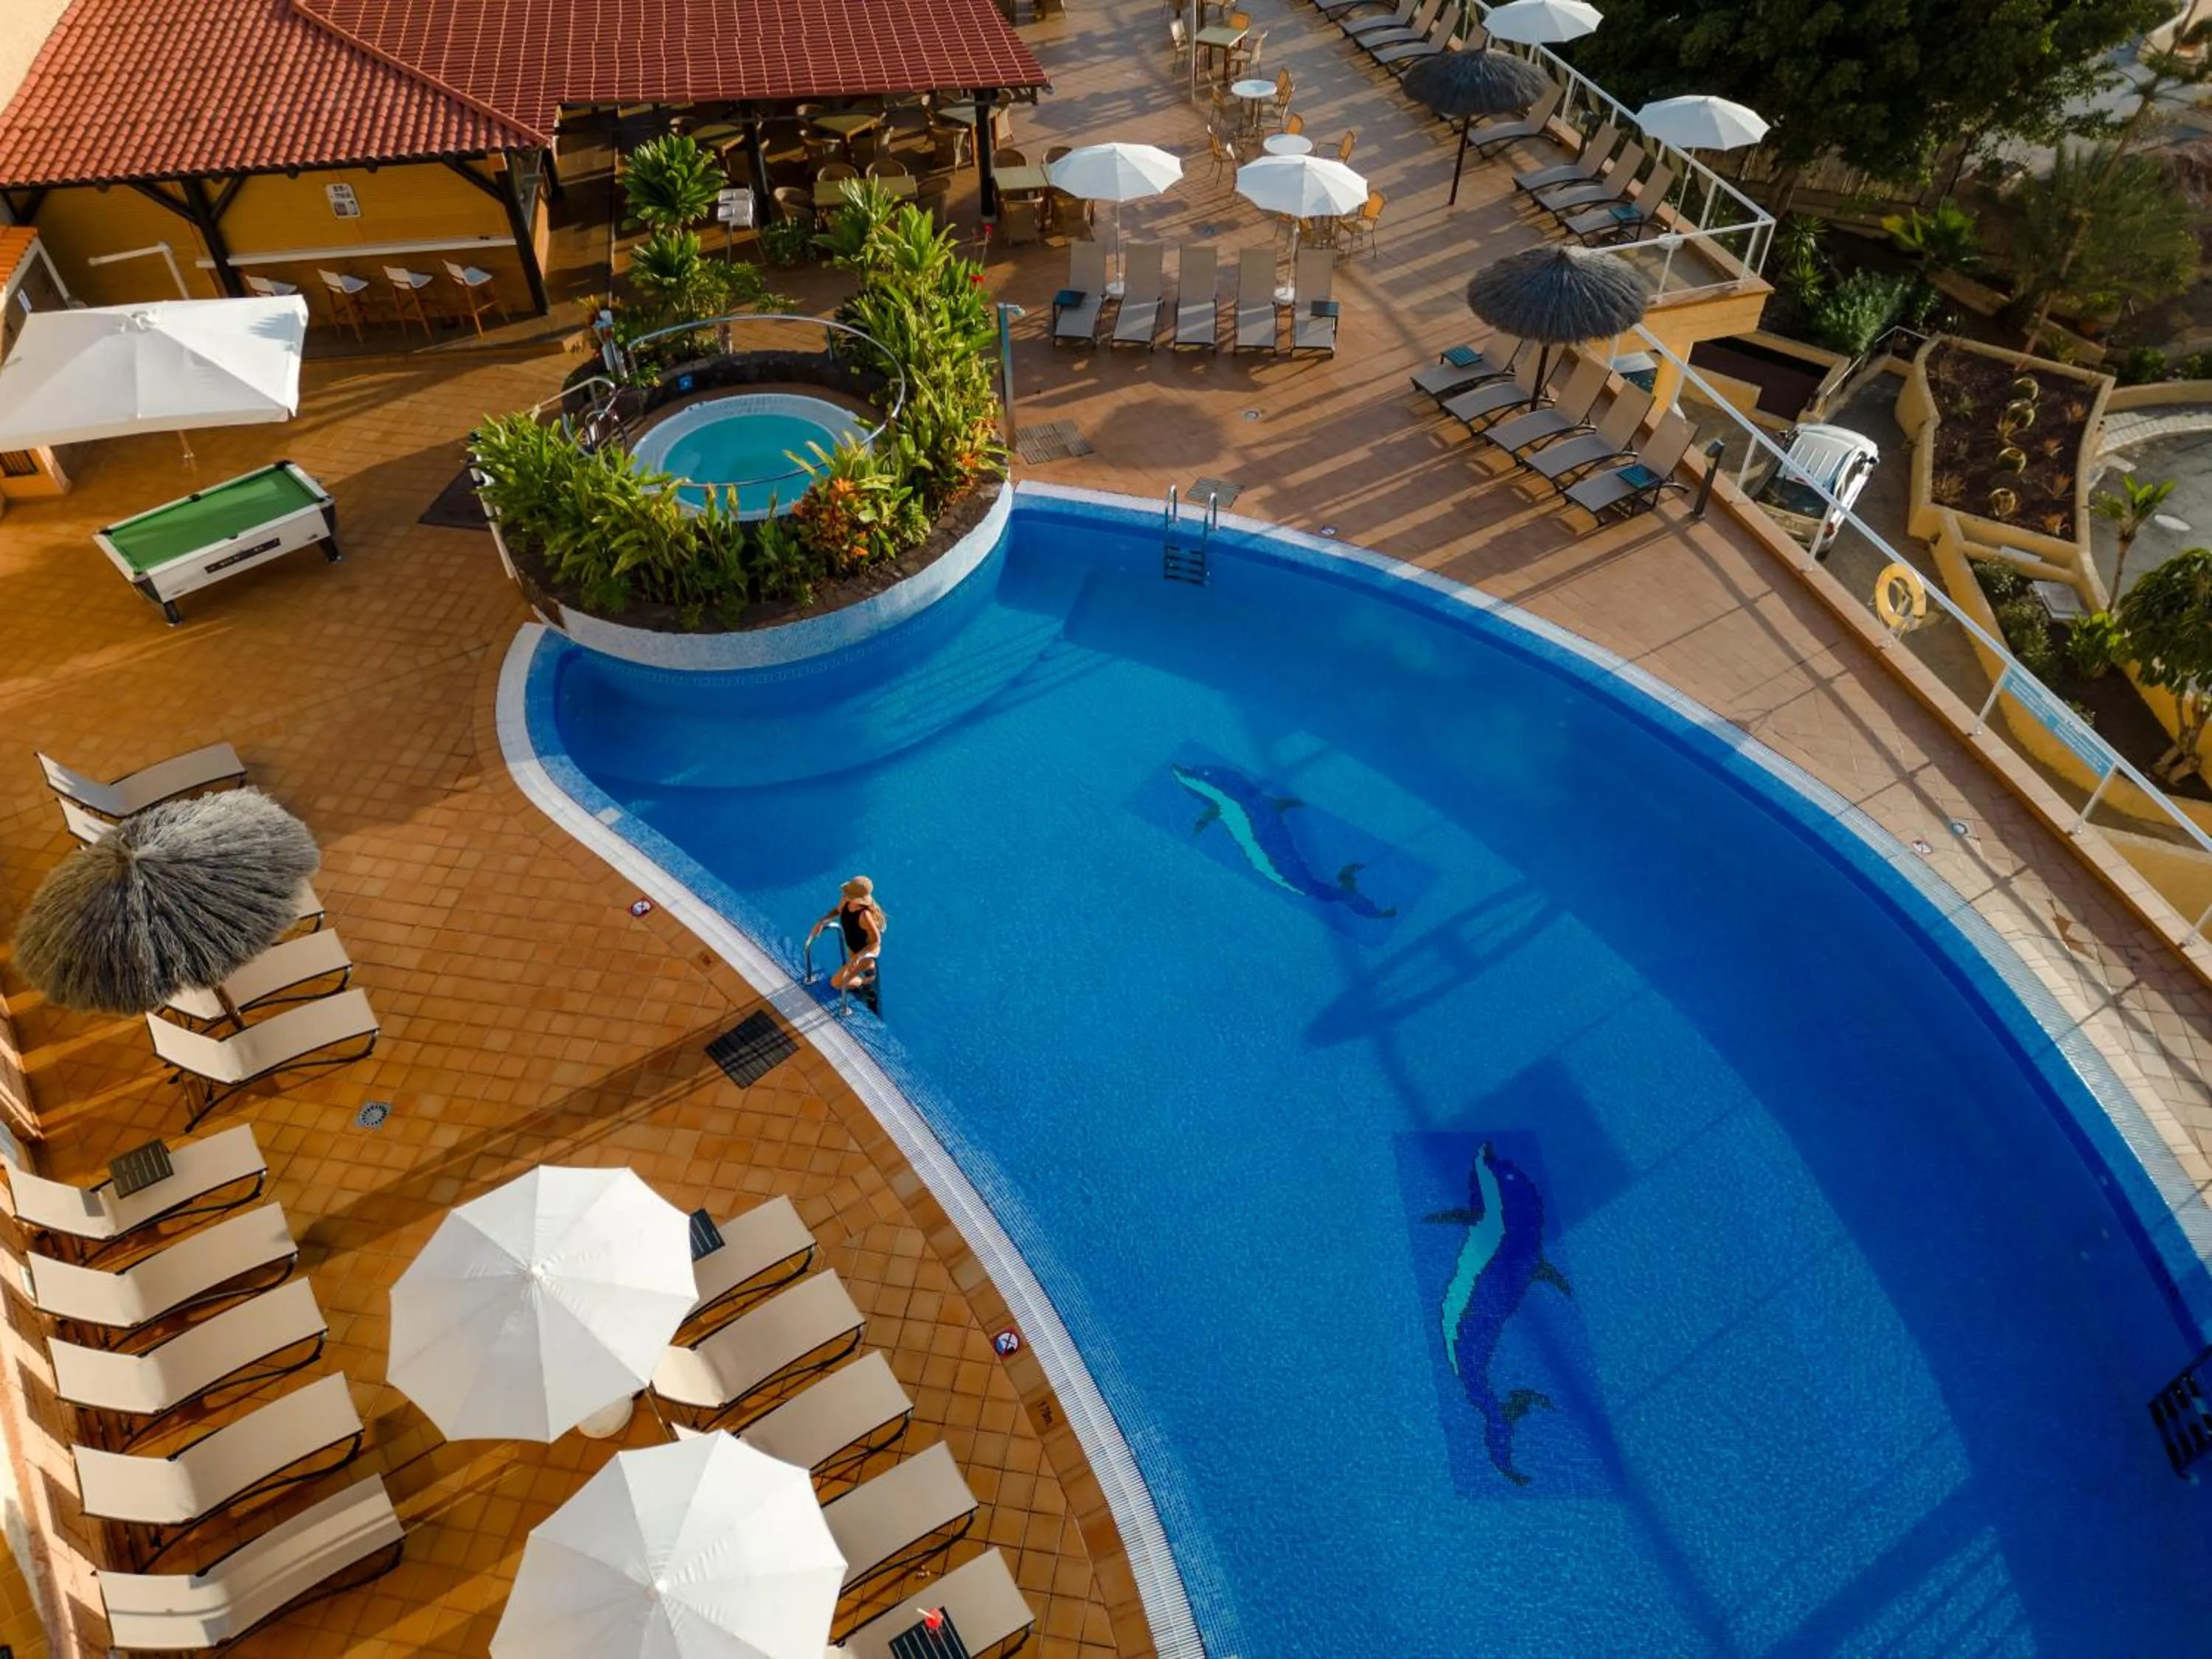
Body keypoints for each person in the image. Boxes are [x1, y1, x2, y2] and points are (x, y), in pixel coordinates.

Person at [807, 876, 885, 1011]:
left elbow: (876, 941)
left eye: (849, 893)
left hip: (863, 954)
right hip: (852, 947)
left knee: (837, 983)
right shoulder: (846, 901)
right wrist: (822, 921)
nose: (845, 894)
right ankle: (869, 976)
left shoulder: (865, 915)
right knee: (856, 970)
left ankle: (866, 986)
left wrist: (858, 957)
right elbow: (837, 911)